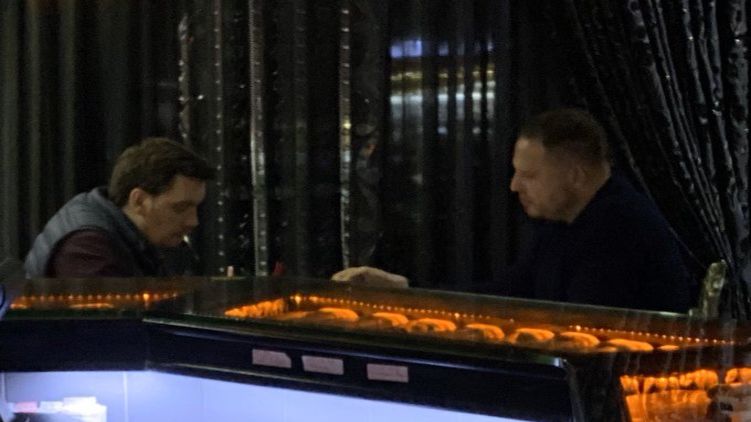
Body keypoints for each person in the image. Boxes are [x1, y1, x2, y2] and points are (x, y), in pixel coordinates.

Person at [333, 108, 694, 313]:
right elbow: (507, 293)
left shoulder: (622, 231)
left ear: (576, 176)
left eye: (529, 176)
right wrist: (405, 291)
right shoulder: (564, 220)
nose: (514, 186)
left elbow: (577, 334)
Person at [24, 137, 215, 278]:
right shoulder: (86, 248)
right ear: (139, 201)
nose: (193, 221)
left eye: (195, 208)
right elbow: (113, 321)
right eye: (180, 208)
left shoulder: (120, 233)